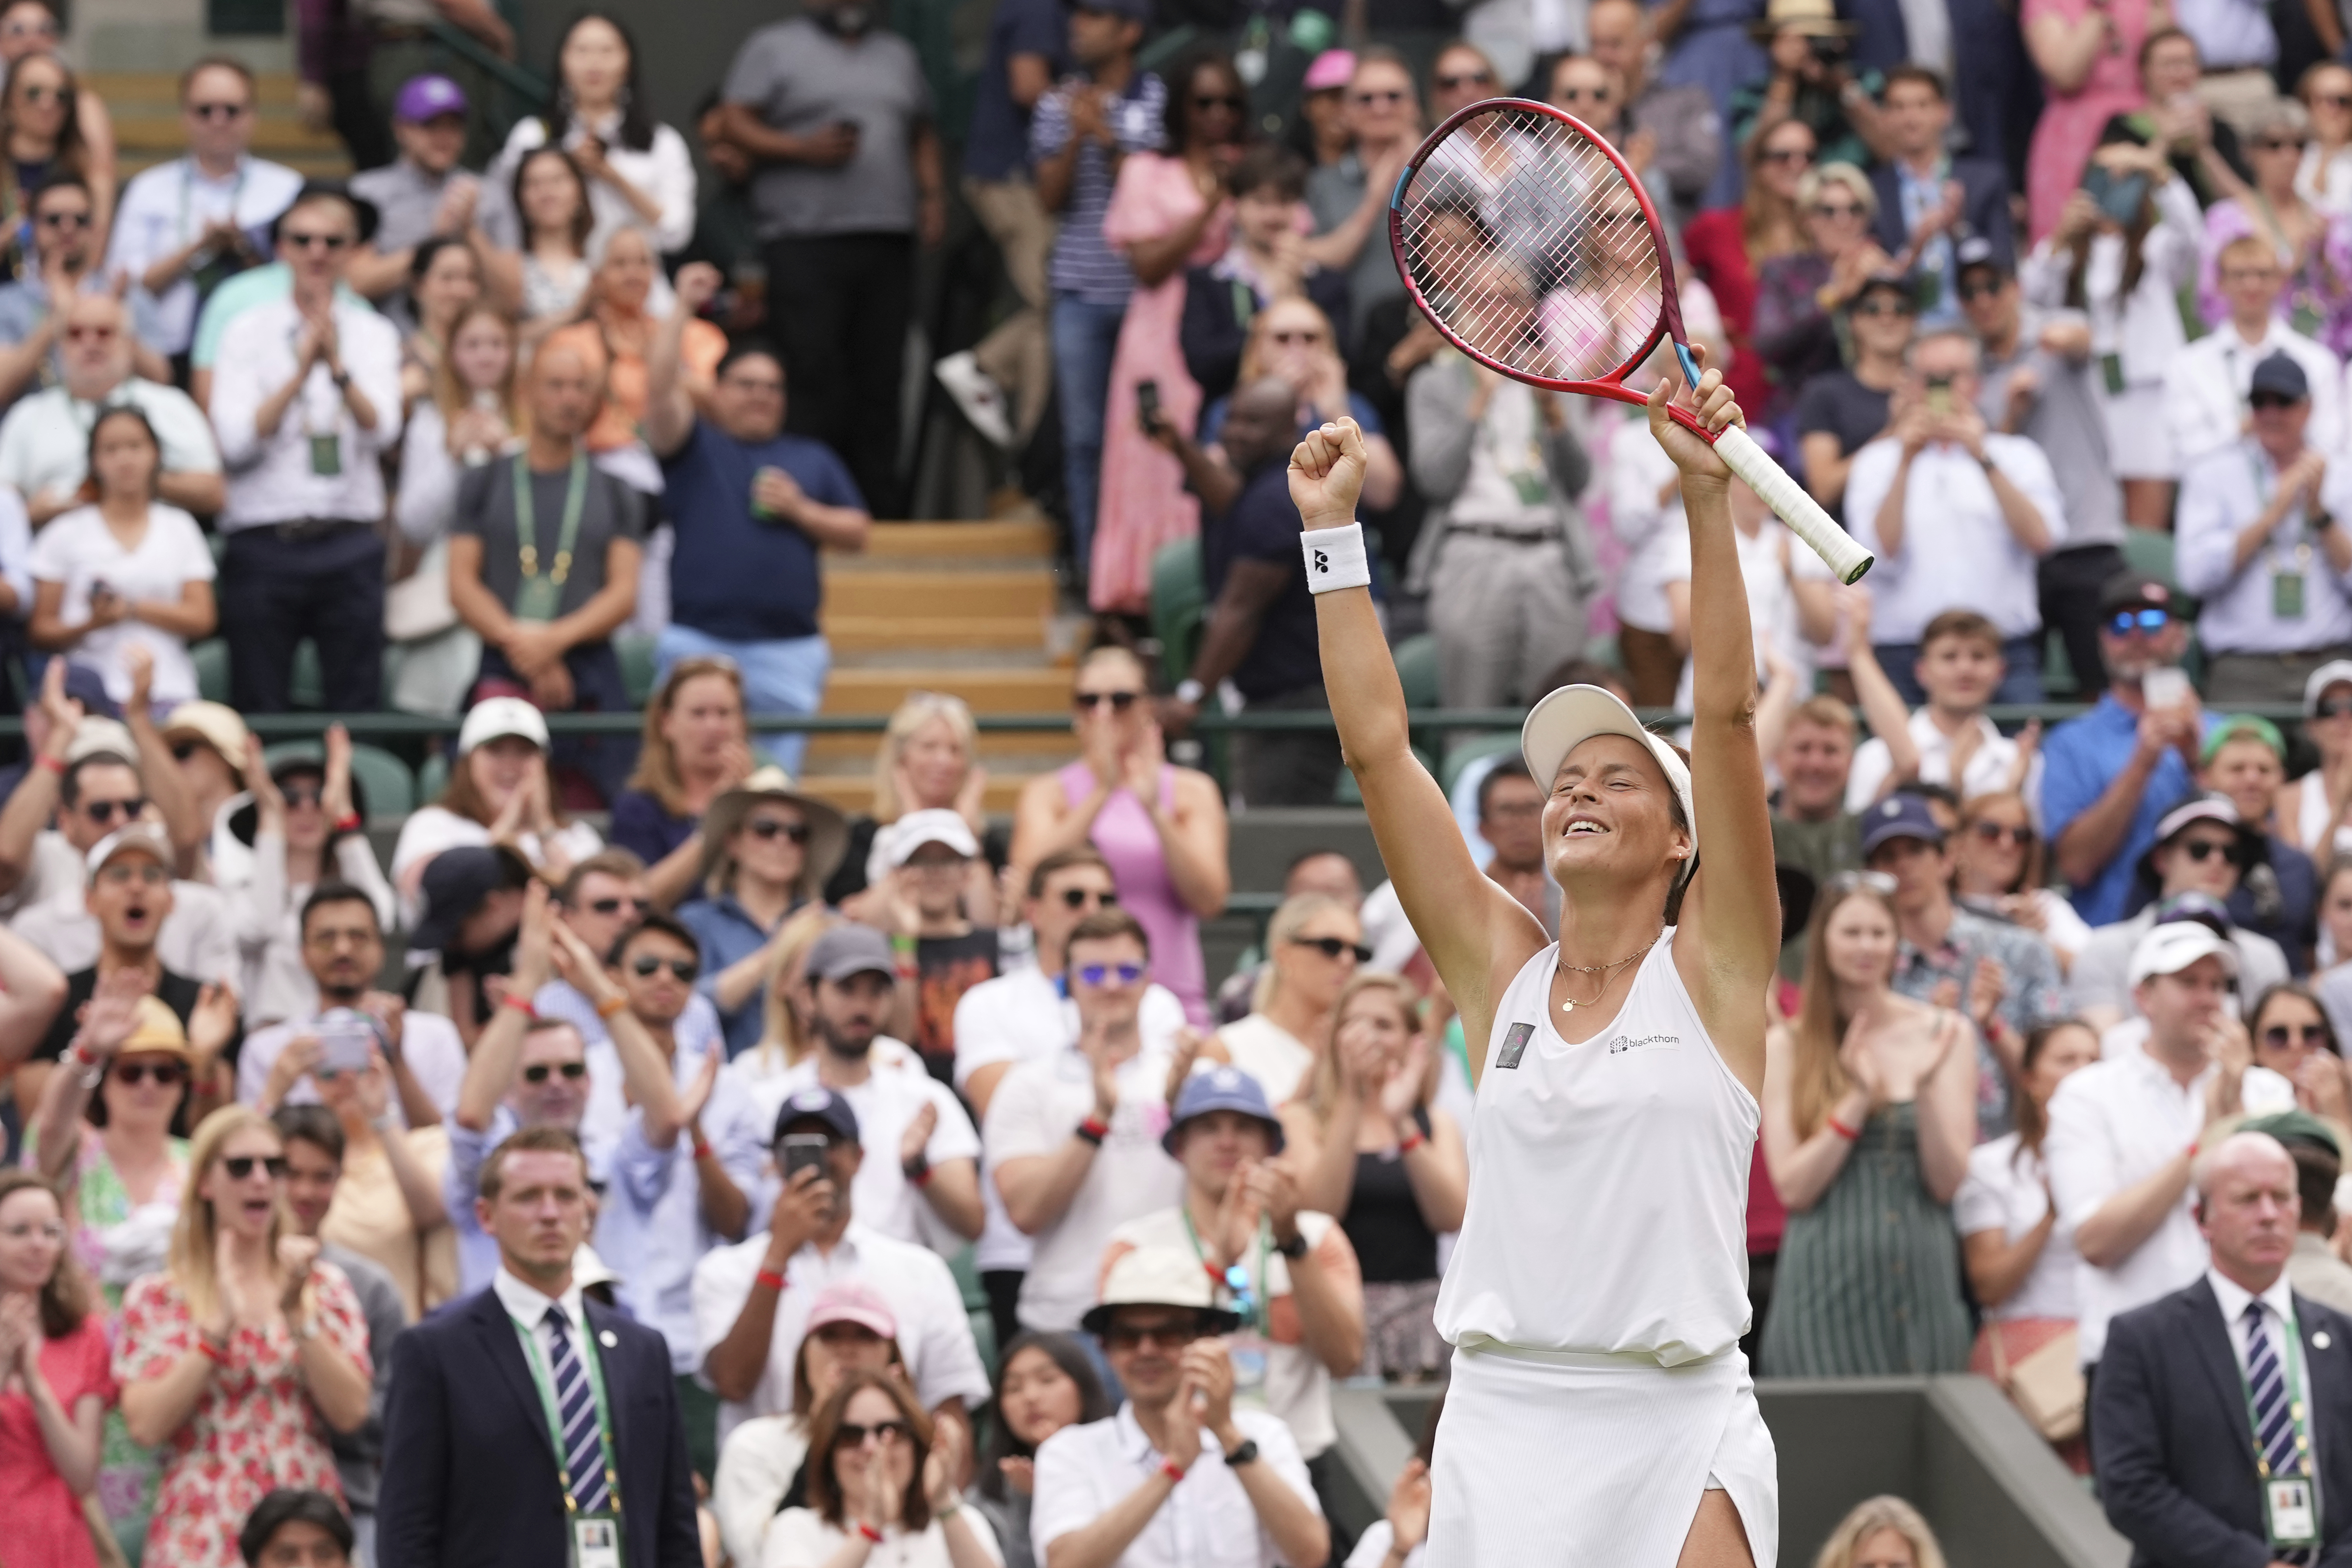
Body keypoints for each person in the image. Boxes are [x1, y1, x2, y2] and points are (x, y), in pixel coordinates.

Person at [1299, 353, 1781, 1555]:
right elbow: (1377, 750)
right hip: (1502, 1417)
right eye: (1566, 776)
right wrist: (1334, 539)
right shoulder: (1495, 971)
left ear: (1683, 837)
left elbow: (1722, 712)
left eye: (1619, 776)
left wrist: (1706, 500)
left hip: (1679, 1413)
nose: (1579, 787)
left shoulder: (1719, 960)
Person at [375, 1125, 702, 1568]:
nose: (549, 1213)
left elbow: (675, 1519)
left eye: (566, 1196)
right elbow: (406, 1528)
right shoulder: (435, 1352)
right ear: (487, 1215)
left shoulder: (642, 1349)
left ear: (588, 1210)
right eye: (528, 1197)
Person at [114, 1105, 371, 1568]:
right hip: (202, 1521)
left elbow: (352, 1412)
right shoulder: (158, 1296)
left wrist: (297, 1315)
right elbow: (146, 1426)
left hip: (304, 1525)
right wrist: (217, 1329)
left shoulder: (323, 1285)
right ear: (206, 1184)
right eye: (240, 1166)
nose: (260, 1179)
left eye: (275, 1166)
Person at [952, 849, 1185, 1353]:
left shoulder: (1179, 1074)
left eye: (1126, 972)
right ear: (1068, 984)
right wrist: (1096, 1121)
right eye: (1094, 974)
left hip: (1173, 1312)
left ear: (1148, 978)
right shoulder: (1027, 1084)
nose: (1111, 986)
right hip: (1065, 1321)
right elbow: (1026, 1209)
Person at [645, 267, 872, 778]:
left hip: (788, 652)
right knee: (686, 786)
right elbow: (658, 389)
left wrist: (800, 509)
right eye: (745, 385)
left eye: (772, 388)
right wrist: (682, 307)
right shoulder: (695, 446)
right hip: (698, 642)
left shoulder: (810, 457)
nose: (760, 396)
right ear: (716, 390)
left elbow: (859, 531)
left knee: (771, 788)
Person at [719, 0, 941, 517]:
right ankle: (809, 501)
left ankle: (878, 512)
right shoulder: (772, 47)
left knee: (881, 377)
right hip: (803, 239)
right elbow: (734, 120)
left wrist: (932, 195)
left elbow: (923, 131)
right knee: (813, 375)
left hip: (887, 237)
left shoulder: (898, 54)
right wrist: (800, 149)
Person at [2091, 1130, 2352, 1562]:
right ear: (2201, 1217)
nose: (2268, 1214)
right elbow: (2130, 1488)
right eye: (2247, 1199)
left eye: (2281, 1197)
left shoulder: (2342, 1339)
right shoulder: (2143, 1341)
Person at [1103, 1065, 1365, 1490]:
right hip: (1180, 1464)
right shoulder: (1133, 1245)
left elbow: (1345, 1359)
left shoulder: (1316, 1234)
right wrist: (1217, 1269)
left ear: (1270, 1144)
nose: (1226, 1141)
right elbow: (1133, 1366)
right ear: (1180, 1145)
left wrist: (1289, 1241)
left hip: (1297, 1461)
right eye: (1208, 1127)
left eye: (1244, 1126)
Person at [1759, 876, 1978, 1376]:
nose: (1866, 946)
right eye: (1851, 931)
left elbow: (1946, 1182)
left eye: (1878, 933)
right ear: (1823, 939)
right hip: (1823, 1289)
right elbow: (1794, 1187)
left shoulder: (1943, 1033)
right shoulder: (1786, 1046)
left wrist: (1922, 1089)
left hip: (1922, 1284)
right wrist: (1857, 1100)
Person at [693, 1086, 989, 1446]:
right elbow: (732, 1382)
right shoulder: (725, 1269)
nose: (817, 1160)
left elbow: (949, 1412)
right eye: (795, 1147)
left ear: (858, 1157)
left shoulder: (920, 1270)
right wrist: (777, 1255)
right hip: (769, 1480)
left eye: (827, 1143)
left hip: (887, 1470)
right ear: (775, 1162)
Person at [208, 181, 402, 716]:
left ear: (350, 252)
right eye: (304, 239)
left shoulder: (373, 333)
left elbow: (384, 430)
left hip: (349, 540)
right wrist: (298, 375)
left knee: (355, 704)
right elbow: (236, 442)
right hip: (264, 540)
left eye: (332, 242)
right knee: (259, 702)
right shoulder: (245, 331)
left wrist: (337, 369)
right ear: (282, 248)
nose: (318, 252)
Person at [588, 910, 764, 1477]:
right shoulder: (571, 1073)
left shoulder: (726, 1085)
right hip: (590, 1333)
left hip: (691, 1339)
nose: (666, 977)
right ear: (613, 976)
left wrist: (692, 1128)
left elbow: (736, 1219)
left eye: (683, 969)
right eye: (647, 964)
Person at [2047, 922, 2263, 1380]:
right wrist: (2202, 1141)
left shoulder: (2267, 1090)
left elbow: (2280, 1220)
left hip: (2247, 1353)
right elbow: (2096, 1241)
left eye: (2217, 985)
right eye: (2188, 983)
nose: (2208, 998)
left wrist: (2237, 1104)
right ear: (2142, 997)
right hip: (2130, 1360)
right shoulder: (2086, 1095)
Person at [441, 884, 682, 1289]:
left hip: (615, 1346)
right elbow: (471, 1117)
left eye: (571, 1070)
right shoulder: (489, 1169)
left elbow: (669, 1119)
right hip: (502, 1346)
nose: (556, 1084)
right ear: (509, 1090)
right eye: (537, 1073)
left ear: (590, 1082)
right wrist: (528, 982)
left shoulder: (615, 1162)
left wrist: (599, 988)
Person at [1031, 1244, 1328, 1568]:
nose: (1146, 1350)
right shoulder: (1072, 1450)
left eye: (1169, 1334)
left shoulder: (1263, 1436)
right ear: (1106, 1348)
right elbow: (1063, 1562)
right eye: (1127, 1337)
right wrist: (1172, 1469)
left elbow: (1310, 1554)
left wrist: (1228, 1434)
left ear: (1208, 1338)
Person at [446, 336, 644, 802]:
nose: (568, 398)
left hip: (590, 669)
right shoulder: (484, 480)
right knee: (487, 800)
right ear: (528, 392)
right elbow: (460, 583)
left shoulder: (618, 489)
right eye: (555, 385)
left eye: (580, 387)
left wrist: (553, 642)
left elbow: (623, 592)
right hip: (502, 660)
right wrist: (525, 647)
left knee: (601, 801)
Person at [1085, 49, 1246, 617]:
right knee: (1156, 453)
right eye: (1204, 102)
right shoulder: (1146, 170)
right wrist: (1210, 207)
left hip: (1231, 327)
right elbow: (1148, 265)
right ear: (1180, 108)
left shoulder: (1251, 164)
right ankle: (1142, 594)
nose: (1218, 113)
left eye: (1229, 101)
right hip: (1161, 330)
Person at [25, 974, 181, 1558]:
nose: (147, 1084)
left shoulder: (204, 1166)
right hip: (85, 1410)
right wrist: (86, 1053)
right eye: (131, 1069)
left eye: (166, 1071)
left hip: (173, 1408)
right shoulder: (79, 1157)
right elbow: (49, 1132)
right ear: (105, 1081)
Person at [1832, 330, 2066, 703]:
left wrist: (1982, 456)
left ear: (1975, 383)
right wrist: (1905, 460)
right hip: (1904, 653)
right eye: (1931, 378)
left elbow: (2042, 538)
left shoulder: (2017, 455)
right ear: (1910, 385)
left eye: (1953, 375)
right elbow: (1875, 555)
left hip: (2002, 651)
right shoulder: (1877, 462)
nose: (1942, 389)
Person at [1011, 645, 1227, 1025]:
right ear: (1074, 712)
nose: (1105, 711)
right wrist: (1100, 792)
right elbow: (1027, 890)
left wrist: (1154, 810)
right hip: (1067, 1006)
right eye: (1089, 700)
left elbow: (1209, 898)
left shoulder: (1191, 790)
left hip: (1172, 1001)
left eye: (1122, 699)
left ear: (1147, 707)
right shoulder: (1047, 792)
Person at [1277, 974, 1468, 1388]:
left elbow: (1451, 1215)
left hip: (1419, 1317)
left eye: (1383, 1025)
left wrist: (1399, 1119)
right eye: (1355, 1023)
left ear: (1410, 1039)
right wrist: (1350, 1096)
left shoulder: (1434, 1123)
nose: (1367, 1036)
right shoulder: (1304, 1120)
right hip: (1337, 1310)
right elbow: (1318, 1211)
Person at [1406, 321, 1602, 713]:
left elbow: (1579, 479)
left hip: (1550, 555)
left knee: (1561, 714)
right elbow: (1434, 480)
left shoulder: (1553, 379)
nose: (1497, 313)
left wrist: (1554, 412)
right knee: (1470, 714)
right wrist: (1479, 401)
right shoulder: (1435, 381)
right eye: (1482, 300)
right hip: (1472, 551)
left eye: (1510, 300)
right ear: (1460, 311)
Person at [751, 922, 984, 1248]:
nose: (862, 1006)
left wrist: (919, 1168)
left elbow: (972, 1223)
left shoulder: (924, 1098)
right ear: (807, 996)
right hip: (797, 1282)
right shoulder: (767, 1102)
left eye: (877, 990)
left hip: (897, 1285)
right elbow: (738, 1225)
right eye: (847, 988)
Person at [1030, 0, 1161, 574]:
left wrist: (1104, 134)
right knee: (1083, 441)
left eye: (1095, 15)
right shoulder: (1056, 103)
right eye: (1076, 14)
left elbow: (1153, 191)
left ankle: (1140, 575)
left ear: (1129, 30)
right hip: (1080, 294)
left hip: (1148, 296)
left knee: (1148, 441)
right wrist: (1076, 136)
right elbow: (1048, 199)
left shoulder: (1160, 98)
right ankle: (1093, 575)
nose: (1077, 26)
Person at [1961, 242, 2132, 677]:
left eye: (1992, 286)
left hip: (2086, 538)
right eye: (1970, 292)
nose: (1983, 300)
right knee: (2018, 687)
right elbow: (1984, 459)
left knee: (2103, 683)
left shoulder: (2054, 332)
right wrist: (2013, 415)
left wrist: (2038, 340)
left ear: (2014, 288)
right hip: (2018, 553)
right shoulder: (1970, 374)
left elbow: (2079, 337)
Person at [2023, 154, 2200, 542]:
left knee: (2145, 524)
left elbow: (2188, 230)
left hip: (2145, 398)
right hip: (2085, 397)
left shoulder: (2155, 249)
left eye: (2125, 180)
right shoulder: (2067, 252)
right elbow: (2031, 297)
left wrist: (2157, 171)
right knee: (2093, 513)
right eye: (2102, 178)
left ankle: (2141, 599)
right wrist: (2059, 237)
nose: (2113, 189)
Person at [271, 1104, 416, 1555]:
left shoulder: (368, 1287)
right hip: (238, 1502)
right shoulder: (214, 1280)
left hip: (348, 1508)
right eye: (290, 1173)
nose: (305, 1191)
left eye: (322, 1176)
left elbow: (391, 1417)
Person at [1956, 1018, 2099, 1464]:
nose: (2082, 1070)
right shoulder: (1989, 1166)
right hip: (2025, 1363)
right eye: (2066, 1059)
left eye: (2093, 1060)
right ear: (2031, 1079)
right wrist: (2051, 1215)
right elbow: (1988, 1283)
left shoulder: (2124, 1165)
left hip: (2106, 1350)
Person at [22, 823, 240, 1115]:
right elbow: (39, 1131)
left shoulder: (203, 1004)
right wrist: (88, 1052)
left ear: (171, 901)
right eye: (119, 875)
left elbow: (214, 1138)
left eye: (152, 876)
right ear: (89, 900)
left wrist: (205, 1062)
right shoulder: (57, 1002)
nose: (136, 887)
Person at [2041, 573, 2220, 926]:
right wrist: (2141, 762)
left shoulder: (2220, 730)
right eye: (2121, 624)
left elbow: (2256, 844)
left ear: (2180, 637)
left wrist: (2195, 761)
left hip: (2214, 933)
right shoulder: (2069, 742)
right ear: (2102, 640)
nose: (2136, 634)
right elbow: (2075, 864)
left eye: (2152, 621)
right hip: (2109, 935)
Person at [104, 58, 302, 368]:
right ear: (184, 116)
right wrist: (199, 248)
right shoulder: (149, 188)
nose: (218, 121)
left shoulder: (287, 188)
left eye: (232, 110)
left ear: (253, 116)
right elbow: (124, 287)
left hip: (265, 356)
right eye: (205, 110)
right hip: (165, 357)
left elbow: (300, 281)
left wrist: (243, 248)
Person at [2178, 350, 2352, 702]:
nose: (2271, 413)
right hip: (2242, 668)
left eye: (2283, 401)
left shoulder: (2341, 476)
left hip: (2327, 664)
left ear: (2307, 407)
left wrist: (2319, 514)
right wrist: (2271, 515)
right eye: (2260, 402)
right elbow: (2193, 576)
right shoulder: (2212, 474)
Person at [932, 0, 1065, 454]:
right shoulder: (1039, 8)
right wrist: (1093, 110)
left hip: (1011, 176)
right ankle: (986, 374)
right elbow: (1029, 85)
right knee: (1057, 306)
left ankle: (984, 366)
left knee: (1051, 312)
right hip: (1013, 179)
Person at [709, 1281, 919, 1567]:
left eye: (865, 1336)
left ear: (893, 1358)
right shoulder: (753, 1444)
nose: (847, 1350)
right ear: (803, 1355)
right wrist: (823, 1433)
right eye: (830, 1336)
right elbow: (758, 1553)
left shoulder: (908, 1444)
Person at [28, 406, 217, 711]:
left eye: (135, 446)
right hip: (87, 699)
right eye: (111, 449)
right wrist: (92, 623)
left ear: (155, 454)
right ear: (94, 461)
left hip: (170, 691)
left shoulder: (180, 526)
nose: (125, 459)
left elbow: (202, 617)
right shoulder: (64, 532)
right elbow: (41, 630)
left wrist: (131, 608)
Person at [237, 875, 461, 1132]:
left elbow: (451, 1150)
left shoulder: (435, 1036)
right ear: (303, 953)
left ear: (381, 948)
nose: (343, 949)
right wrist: (276, 1090)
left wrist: (397, 1059)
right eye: (325, 938)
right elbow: (249, 1156)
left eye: (358, 937)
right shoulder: (267, 1049)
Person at [476, 14, 694, 269]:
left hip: (636, 289)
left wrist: (611, 176)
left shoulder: (661, 142)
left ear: (629, 63)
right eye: (581, 50)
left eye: (607, 51)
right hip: (552, 286)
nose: (594, 62)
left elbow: (676, 234)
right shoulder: (533, 135)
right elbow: (503, 219)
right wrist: (564, 171)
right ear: (562, 61)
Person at [0, 290, 223, 526]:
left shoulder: (170, 404)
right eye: (76, 334)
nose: (90, 342)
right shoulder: (28, 415)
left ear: (129, 342)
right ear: (60, 344)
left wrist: (140, 479)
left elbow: (214, 494)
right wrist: (30, 515)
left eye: (104, 332)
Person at [388, 299, 510, 717]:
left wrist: (507, 454)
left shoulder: (537, 417)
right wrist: (451, 458)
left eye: (496, 343)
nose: (485, 354)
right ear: (452, 354)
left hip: (518, 579)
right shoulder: (430, 421)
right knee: (442, 710)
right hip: (446, 589)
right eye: (472, 344)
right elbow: (413, 523)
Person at [2069, 797, 2295, 1024]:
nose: (2217, 860)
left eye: (2231, 853)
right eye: (2200, 849)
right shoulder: (2105, 950)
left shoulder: (2264, 957)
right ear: (2161, 859)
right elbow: (2101, 1050)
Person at [679, 766, 849, 1058]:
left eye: (797, 833)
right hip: (725, 1087)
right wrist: (778, 950)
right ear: (733, 842)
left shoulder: (830, 924)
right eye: (766, 829)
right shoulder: (696, 922)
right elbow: (686, 1009)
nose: (782, 841)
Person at [540, 227, 724, 494]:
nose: (633, 274)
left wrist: (661, 364)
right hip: (596, 471)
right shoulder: (570, 343)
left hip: (683, 465)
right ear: (597, 278)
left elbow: (719, 405)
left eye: (643, 263)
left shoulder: (690, 335)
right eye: (620, 264)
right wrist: (607, 354)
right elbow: (553, 416)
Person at [389, 697, 604, 916]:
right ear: (468, 762)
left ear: (544, 764)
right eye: (496, 750)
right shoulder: (431, 824)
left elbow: (596, 911)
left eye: (524, 751)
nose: (510, 764)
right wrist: (505, 828)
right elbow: (425, 897)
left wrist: (544, 831)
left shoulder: (578, 835)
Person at [766, 1369, 1000, 1567]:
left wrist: (942, 1502)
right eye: (851, 1436)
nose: (871, 1448)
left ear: (916, 1444)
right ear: (828, 1452)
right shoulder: (796, 1528)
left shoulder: (961, 1521)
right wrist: (871, 1527)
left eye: (891, 1431)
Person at [1179, 147, 1351, 410]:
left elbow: (1345, 355)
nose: (1272, 215)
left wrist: (1298, 295)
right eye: (1260, 202)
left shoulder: (1327, 282)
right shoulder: (1208, 282)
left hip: (1318, 415)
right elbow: (1202, 366)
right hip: (1234, 418)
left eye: (1283, 202)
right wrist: (1272, 310)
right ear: (1235, 207)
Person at [0, 1168, 112, 1568]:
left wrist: (34, 1382)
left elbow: (83, 1475)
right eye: (19, 1231)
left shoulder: (85, 1334)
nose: (39, 1244)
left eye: (50, 1231)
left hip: (60, 1537)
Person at [2166, 231, 2347, 464]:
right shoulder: (2188, 365)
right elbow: (2184, 449)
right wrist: (2245, 430)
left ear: (2281, 281)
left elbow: (2330, 444)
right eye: (2240, 275)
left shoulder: (2318, 361)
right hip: (2217, 494)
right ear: (2220, 282)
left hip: (2297, 491)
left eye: (2263, 275)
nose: (2252, 285)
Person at [1685, 119, 1819, 422]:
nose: (1796, 165)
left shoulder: (1826, 233)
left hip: (1808, 387)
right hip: (1737, 385)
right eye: (1782, 156)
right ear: (1757, 164)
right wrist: (1710, 330)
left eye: (1807, 157)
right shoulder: (1716, 228)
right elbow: (1673, 284)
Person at [1751, 163, 1896, 438]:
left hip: (1876, 409)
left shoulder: (1882, 271)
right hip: (1802, 412)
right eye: (1829, 211)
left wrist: (1889, 282)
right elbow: (1769, 343)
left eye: (1855, 210)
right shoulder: (1784, 271)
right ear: (1807, 219)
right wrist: (1835, 295)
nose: (1843, 221)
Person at [1846, 612, 2044, 809]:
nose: (1965, 669)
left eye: (1979, 657)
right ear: (1922, 671)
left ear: (2000, 671)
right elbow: (1857, 837)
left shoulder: (2024, 762)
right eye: (1949, 657)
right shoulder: (1876, 755)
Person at [828, 691, 1001, 918]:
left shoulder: (988, 843)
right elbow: (852, 915)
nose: (944, 761)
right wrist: (913, 827)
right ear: (900, 758)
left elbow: (988, 927)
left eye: (955, 750)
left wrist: (967, 837)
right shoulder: (863, 837)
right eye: (929, 747)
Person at [2200, 100, 2352, 356]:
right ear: (2249, 151)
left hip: (2324, 354)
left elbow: (2344, 302)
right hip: (2254, 354)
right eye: (2274, 145)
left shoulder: (2329, 218)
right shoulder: (2226, 219)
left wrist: (2324, 257)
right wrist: (2293, 259)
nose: (2289, 155)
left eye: (2299, 145)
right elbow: (2211, 300)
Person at [1869, 67, 2016, 322]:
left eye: (1922, 105)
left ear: (1945, 112)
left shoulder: (1984, 181)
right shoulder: (1873, 191)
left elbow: (2005, 267)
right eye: (1899, 107)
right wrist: (1914, 250)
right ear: (1885, 118)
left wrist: (1959, 231)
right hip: (1904, 326)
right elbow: (1874, 280)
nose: (1911, 118)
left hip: (1975, 323)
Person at [610, 657, 757, 908]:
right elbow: (636, 902)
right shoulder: (638, 807)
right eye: (698, 714)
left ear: (741, 722)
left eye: (724, 713)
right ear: (667, 724)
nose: (713, 727)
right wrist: (715, 822)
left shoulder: (767, 801)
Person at [964, 1332, 1110, 1568]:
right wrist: (1028, 1501)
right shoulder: (985, 1499)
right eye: (1013, 1388)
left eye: (1047, 1380)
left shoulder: (1123, 1461)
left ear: (1083, 1387)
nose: (1030, 1397)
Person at [2021, 0, 2163, 243]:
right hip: (2073, 140)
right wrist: (2097, 13)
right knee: (2071, 240)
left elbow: (2166, 56)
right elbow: (2065, 75)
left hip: (2141, 127)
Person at [1304, 49, 1416, 347]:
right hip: (1352, 345)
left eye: (1393, 96)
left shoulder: (1449, 180)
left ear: (1414, 106)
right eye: (1366, 99)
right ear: (1348, 111)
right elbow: (1309, 258)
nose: (1380, 108)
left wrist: (1414, 176)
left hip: (1440, 346)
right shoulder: (1322, 184)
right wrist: (1375, 197)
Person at [1215, 893, 1366, 1105]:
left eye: (1359, 952)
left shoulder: (1363, 1048)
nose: (1348, 960)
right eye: (1330, 946)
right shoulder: (1226, 1048)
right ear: (1283, 954)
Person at [345, 76, 481, 307]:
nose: (444, 137)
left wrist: (472, 233)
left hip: (471, 337)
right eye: (431, 125)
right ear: (400, 129)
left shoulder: (485, 192)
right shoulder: (367, 192)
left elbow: (511, 298)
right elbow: (353, 284)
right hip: (387, 335)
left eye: (453, 126)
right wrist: (435, 241)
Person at [2199, 719, 2321, 968]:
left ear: (2282, 779)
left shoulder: (2300, 866)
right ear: (2205, 777)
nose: (2252, 780)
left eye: (2265, 770)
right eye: (2237, 769)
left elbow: (2309, 954)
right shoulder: (2182, 856)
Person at [1793, 272, 1913, 524]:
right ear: (1853, 321)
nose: (1887, 318)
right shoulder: (1825, 394)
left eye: (1900, 308)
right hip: (1855, 549)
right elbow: (1824, 490)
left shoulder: (1929, 389)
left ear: (1913, 320)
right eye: (1872, 309)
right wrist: (1893, 433)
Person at [0, 174, 125, 414]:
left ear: (95, 228)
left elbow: (161, 378)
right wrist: (59, 317)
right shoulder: (6, 301)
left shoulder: (119, 291)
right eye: (54, 219)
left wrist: (112, 318)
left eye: (80, 219)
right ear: (31, 226)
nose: (67, 228)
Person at [1587, 0, 1725, 216]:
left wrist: (1641, 167)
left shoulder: (1684, 102)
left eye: (1615, 44)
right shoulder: (1577, 105)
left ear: (1646, 43)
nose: (1604, 57)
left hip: (1670, 234)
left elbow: (1702, 168)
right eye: (1596, 44)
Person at [1952, 791, 2094, 972]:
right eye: (1991, 832)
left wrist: (2036, 940)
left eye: (2020, 836)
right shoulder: (1939, 909)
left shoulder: (2045, 908)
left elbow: (2097, 972)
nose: (2007, 844)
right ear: (1959, 842)